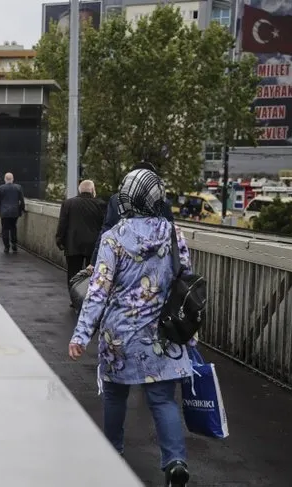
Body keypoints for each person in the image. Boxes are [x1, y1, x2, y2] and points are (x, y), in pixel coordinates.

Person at [68, 169, 193, 487]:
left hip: (119, 335)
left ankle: (112, 455)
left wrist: (82, 334)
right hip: (162, 336)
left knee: (114, 397)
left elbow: (97, 291)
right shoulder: (173, 233)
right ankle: (175, 462)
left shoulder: (114, 238)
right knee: (163, 400)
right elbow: (185, 281)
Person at [91, 162, 174, 266]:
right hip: (155, 263)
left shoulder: (116, 200)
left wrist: (94, 261)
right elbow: (171, 234)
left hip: (122, 261)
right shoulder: (163, 202)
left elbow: (107, 227)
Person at [56, 180, 106, 293]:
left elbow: (62, 224)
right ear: (93, 190)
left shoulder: (68, 203)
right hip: (93, 245)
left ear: (80, 190)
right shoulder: (101, 204)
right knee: (92, 272)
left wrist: (59, 240)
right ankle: (89, 295)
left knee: (73, 273)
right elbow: (105, 226)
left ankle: (74, 297)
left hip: (73, 243)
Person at [0, 172, 25, 254]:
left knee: (5, 229)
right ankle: (14, 244)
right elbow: (22, 200)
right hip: (14, 212)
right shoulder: (18, 187)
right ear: (12, 179)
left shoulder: (1, 188)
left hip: (4, 212)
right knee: (13, 227)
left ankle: (6, 246)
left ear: (5, 179)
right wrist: (21, 209)